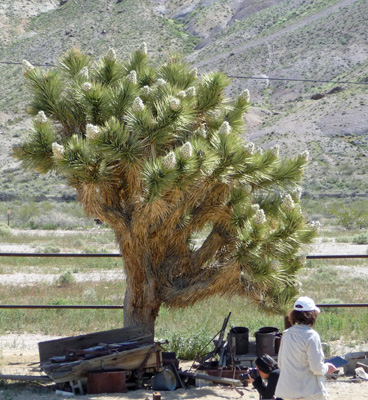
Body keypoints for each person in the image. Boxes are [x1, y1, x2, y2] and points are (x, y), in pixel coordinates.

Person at [275, 296, 337, 400]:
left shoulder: (286, 334)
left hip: (287, 391)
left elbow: (281, 363)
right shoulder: (311, 335)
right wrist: (327, 368)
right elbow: (316, 368)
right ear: (312, 315)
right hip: (308, 392)